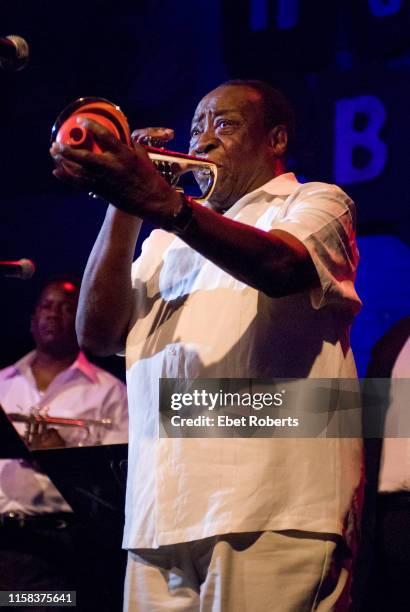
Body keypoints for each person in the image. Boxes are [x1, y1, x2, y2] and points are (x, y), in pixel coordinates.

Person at [50, 80, 364, 611]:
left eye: (225, 124)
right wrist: (122, 203)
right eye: (196, 127)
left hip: (276, 509)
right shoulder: (163, 240)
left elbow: (279, 267)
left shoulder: (315, 202)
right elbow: (97, 335)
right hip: (158, 517)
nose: (204, 139)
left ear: (277, 139)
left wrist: (163, 201)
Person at [0, 278, 128, 610]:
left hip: (57, 546)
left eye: (68, 308)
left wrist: (63, 457)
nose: (55, 314)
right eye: (47, 306)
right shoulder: (1, 383)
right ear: (31, 320)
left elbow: (119, 484)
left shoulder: (110, 392)